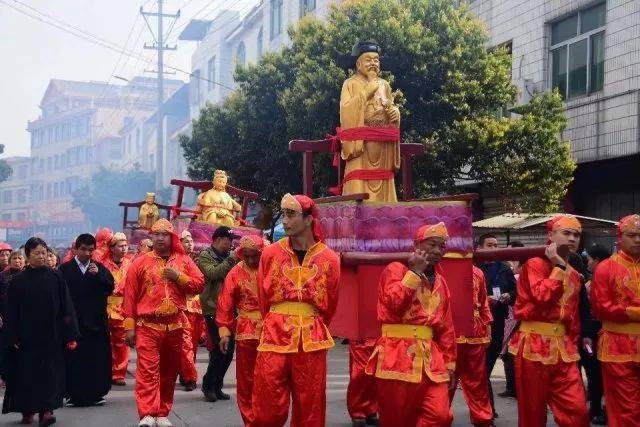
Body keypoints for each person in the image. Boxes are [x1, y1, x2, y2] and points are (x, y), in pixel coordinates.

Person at [252, 193, 340, 427]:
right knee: (267, 404)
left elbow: (330, 303)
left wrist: (312, 323)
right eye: (284, 214)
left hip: (312, 339)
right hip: (274, 334)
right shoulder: (270, 254)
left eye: (291, 214)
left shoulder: (330, 259)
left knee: (310, 405)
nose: (285, 221)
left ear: (309, 219)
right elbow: (263, 298)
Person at [366, 222, 456, 427]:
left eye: (441, 246)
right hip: (395, 354)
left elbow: (446, 326)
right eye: (432, 244)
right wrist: (414, 273)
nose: (437, 251)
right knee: (396, 420)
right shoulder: (396, 269)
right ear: (417, 245)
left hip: (431, 358)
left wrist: (450, 362)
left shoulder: (441, 281)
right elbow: (394, 304)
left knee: (441, 416)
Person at [507, 215, 589, 427]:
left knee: (577, 410)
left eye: (576, 235)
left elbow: (573, 315)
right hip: (533, 345)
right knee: (532, 412)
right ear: (550, 235)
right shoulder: (534, 264)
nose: (572, 238)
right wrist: (558, 268)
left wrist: (576, 341)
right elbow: (542, 297)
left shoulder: (574, 274)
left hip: (564, 349)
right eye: (566, 233)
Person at [123, 219, 204, 427]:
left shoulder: (183, 260)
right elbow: (130, 296)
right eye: (156, 234)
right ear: (151, 237)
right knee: (148, 370)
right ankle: (147, 413)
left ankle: (161, 412)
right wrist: (129, 327)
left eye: (164, 234)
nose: (160, 238)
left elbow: (199, 284)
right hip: (147, 325)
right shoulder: (140, 262)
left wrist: (179, 277)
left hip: (176, 325)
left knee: (169, 372)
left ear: (172, 237)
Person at [2, 237, 79, 426]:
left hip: (52, 336)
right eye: (36, 253)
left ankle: (47, 411)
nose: (41, 256)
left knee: (50, 374)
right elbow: (10, 311)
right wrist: (12, 336)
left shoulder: (56, 277)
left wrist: (70, 333)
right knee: (27, 375)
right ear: (27, 256)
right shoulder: (18, 281)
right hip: (26, 338)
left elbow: (66, 307)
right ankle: (27, 410)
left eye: (44, 253)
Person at [591, 214, 640, 427]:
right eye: (632, 235)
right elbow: (601, 307)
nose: (638, 240)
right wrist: (634, 312)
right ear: (620, 237)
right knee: (624, 407)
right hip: (618, 345)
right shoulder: (605, 268)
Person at [58, 234, 114, 407]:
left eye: (91, 250)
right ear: (75, 249)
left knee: (96, 359)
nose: (87, 253)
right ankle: (73, 395)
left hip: (96, 323)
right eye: (83, 249)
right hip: (73, 323)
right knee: (74, 359)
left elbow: (110, 287)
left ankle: (96, 394)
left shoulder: (99, 268)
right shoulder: (64, 269)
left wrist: (99, 276)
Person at [215, 235, 265, 425]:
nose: (251, 261)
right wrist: (224, 332)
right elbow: (225, 304)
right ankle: (250, 421)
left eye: (255, 256)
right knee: (246, 379)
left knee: (269, 379)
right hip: (245, 332)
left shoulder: (270, 269)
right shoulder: (235, 273)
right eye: (247, 256)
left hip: (272, 330)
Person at [197, 226, 240, 402]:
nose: (231, 243)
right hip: (212, 308)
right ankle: (208, 386)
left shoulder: (231, 258)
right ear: (218, 239)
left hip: (231, 309)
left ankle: (218, 386)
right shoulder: (205, 256)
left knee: (229, 351)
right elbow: (213, 273)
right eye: (229, 240)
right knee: (217, 349)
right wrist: (232, 259)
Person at [477, 234, 516, 414]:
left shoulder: (504, 268)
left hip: (498, 321)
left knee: (486, 367)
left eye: (496, 245)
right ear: (480, 247)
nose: (494, 249)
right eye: (490, 245)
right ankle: (487, 410)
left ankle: (486, 409)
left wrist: (509, 295)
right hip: (477, 324)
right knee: (480, 369)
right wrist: (484, 299)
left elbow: (516, 290)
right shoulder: (473, 267)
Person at [451, 265, 494, 427]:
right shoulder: (442, 269)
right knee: (447, 379)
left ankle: (482, 419)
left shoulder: (477, 272)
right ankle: (437, 418)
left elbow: (483, 303)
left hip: (475, 333)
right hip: (450, 333)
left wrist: (487, 329)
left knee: (478, 381)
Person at [579, 244, 609, 425]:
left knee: (597, 374)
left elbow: (596, 310)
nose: (588, 263)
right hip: (600, 333)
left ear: (597, 260)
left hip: (600, 335)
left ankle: (601, 410)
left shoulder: (598, 278)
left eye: (589, 259)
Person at [100, 232, 133, 386]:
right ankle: (105, 371)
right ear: (112, 248)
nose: (124, 248)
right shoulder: (103, 264)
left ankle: (119, 373)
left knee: (122, 342)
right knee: (105, 342)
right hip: (105, 307)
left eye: (126, 245)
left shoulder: (131, 264)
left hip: (124, 308)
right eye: (120, 246)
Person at [178, 230, 204, 392]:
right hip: (183, 307)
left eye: (191, 240)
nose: (190, 244)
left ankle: (185, 372)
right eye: (186, 241)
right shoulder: (177, 261)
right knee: (186, 344)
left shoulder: (196, 259)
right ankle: (190, 377)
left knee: (192, 345)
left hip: (196, 308)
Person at [500, 240, 524, 399]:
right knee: (508, 353)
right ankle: (513, 387)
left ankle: (515, 387)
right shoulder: (506, 269)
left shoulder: (521, 272)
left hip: (518, 318)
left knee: (510, 353)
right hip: (510, 316)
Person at [347, 337, 378, 426]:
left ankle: (371, 409)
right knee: (360, 372)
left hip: (378, 333)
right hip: (360, 335)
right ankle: (358, 412)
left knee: (375, 371)